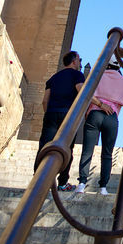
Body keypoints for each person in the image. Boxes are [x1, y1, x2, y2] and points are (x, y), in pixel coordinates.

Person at [77, 60, 123, 195]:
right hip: (111, 117)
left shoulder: (97, 76)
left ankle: (82, 183)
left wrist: (101, 102)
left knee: (87, 151)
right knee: (107, 154)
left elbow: (87, 92)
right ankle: (103, 187)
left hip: (95, 113)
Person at [36, 50, 85, 191]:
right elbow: (81, 91)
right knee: (66, 149)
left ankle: (37, 179)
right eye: (79, 60)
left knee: (44, 146)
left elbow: (45, 100)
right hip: (68, 116)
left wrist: (49, 114)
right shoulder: (77, 75)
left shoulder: (53, 78)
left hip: (51, 114)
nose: (80, 63)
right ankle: (62, 183)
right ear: (74, 61)